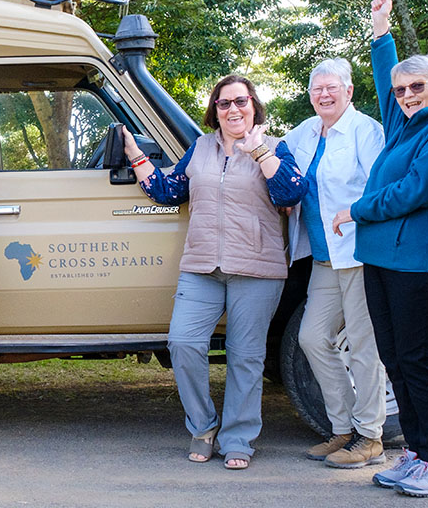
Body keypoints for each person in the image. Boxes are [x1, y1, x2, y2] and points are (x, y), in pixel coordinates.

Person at [121, 75, 307, 469]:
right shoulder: (201, 148)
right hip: (201, 266)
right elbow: (169, 190)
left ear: (254, 106)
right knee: (183, 344)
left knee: (245, 356)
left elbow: (291, 192)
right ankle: (203, 426)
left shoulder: (274, 147)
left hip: (257, 268)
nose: (233, 109)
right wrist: (136, 155)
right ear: (215, 110)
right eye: (224, 103)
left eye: (241, 101)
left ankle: (238, 437)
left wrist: (259, 154)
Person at [334, 0, 428, 496]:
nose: (407, 95)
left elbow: (416, 190)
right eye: (402, 89)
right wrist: (380, 31)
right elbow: (386, 85)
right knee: (395, 357)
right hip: (380, 258)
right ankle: (416, 453)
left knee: (417, 359)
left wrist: (357, 210)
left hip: (417, 262)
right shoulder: (404, 123)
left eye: (418, 87)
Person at [283, 57, 387, 469]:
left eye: (332, 88)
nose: (323, 95)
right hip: (324, 258)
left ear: (349, 91)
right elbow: (277, 160)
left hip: (358, 254)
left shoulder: (366, 131)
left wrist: (355, 211)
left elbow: (382, 184)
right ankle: (341, 428)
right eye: (317, 89)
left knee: (363, 346)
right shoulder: (305, 132)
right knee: (311, 337)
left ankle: (370, 436)